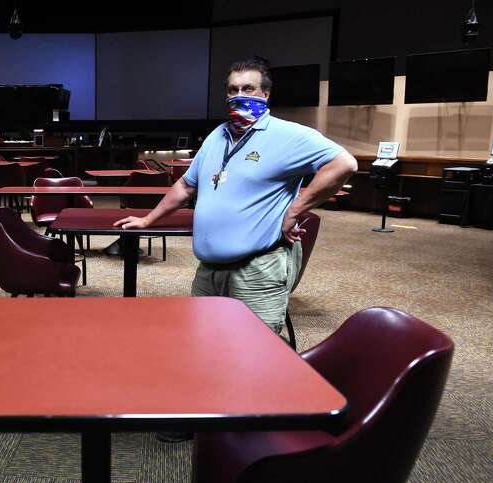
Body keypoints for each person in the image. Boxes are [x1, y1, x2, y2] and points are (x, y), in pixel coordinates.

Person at [114, 58, 358, 443]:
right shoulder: (218, 136)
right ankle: (199, 416)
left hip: (257, 268)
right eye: (232, 89)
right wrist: (148, 220)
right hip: (209, 267)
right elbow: (187, 186)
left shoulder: (287, 135)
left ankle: (253, 434)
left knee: (258, 352)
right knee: (202, 345)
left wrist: (297, 208)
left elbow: (344, 163)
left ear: (265, 93)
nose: (239, 96)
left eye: (247, 89)